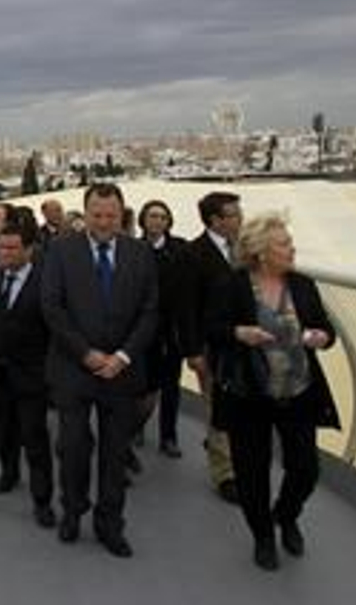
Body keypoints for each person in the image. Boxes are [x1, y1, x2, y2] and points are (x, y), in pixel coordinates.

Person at [210, 212, 340, 571]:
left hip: (297, 392)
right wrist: (239, 333)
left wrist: (321, 337)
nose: (292, 248)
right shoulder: (232, 285)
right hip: (248, 395)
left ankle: (285, 514)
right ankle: (263, 536)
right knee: (252, 473)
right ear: (261, 251)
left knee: (306, 469)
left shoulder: (302, 285)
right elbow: (213, 328)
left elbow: (326, 329)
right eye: (284, 244)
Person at [40, 183, 158, 558]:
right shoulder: (60, 250)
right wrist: (86, 354)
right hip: (74, 370)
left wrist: (122, 356)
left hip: (122, 373)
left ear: (121, 215)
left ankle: (110, 524)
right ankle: (73, 512)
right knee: (73, 448)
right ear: (86, 212)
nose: (104, 222)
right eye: (97, 215)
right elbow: (51, 307)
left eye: (111, 216)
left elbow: (150, 310)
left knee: (115, 453)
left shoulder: (140, 253)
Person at [0, 223, 55, 526]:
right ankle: (9, 472)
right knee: (4, 431)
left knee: (35, 438)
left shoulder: (47, 284)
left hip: (33, 375)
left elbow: (53, 332)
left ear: (29, 250)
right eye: (0, 247)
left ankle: (42, 500)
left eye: (11, 248)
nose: (4, 253)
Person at [180, 191, 244, 503]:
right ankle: (225, 474)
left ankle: (236, 457)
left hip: (244, 344)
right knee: (217, 407)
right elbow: (187, 306)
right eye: (233, 214)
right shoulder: (194, 254)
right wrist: (193, 352)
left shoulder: (246, 250)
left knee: (242, 407)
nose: (239, 219)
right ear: (215, 220)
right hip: (210, 346)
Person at [137, 200, 188, 459]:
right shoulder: (132, 249)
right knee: (143, 385)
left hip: (171, 331)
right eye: (152, 216)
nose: (157, 221)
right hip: (141, 330)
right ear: (143, 220)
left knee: (171, 386)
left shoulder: (180, 249)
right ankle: (137, 426)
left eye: (162, 217)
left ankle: (169, 436)